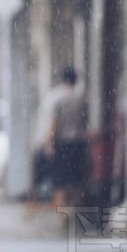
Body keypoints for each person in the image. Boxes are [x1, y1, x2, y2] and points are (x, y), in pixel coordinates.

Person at [48, 66, 88, 209]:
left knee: (60, 181)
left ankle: (61, 215)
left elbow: (54, 123)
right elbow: (84, 122)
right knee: (77, 179)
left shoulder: (58, 99)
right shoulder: (80, 99)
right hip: (78, 142)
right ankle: (77, 212)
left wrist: (50, 143)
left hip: (62, 143)